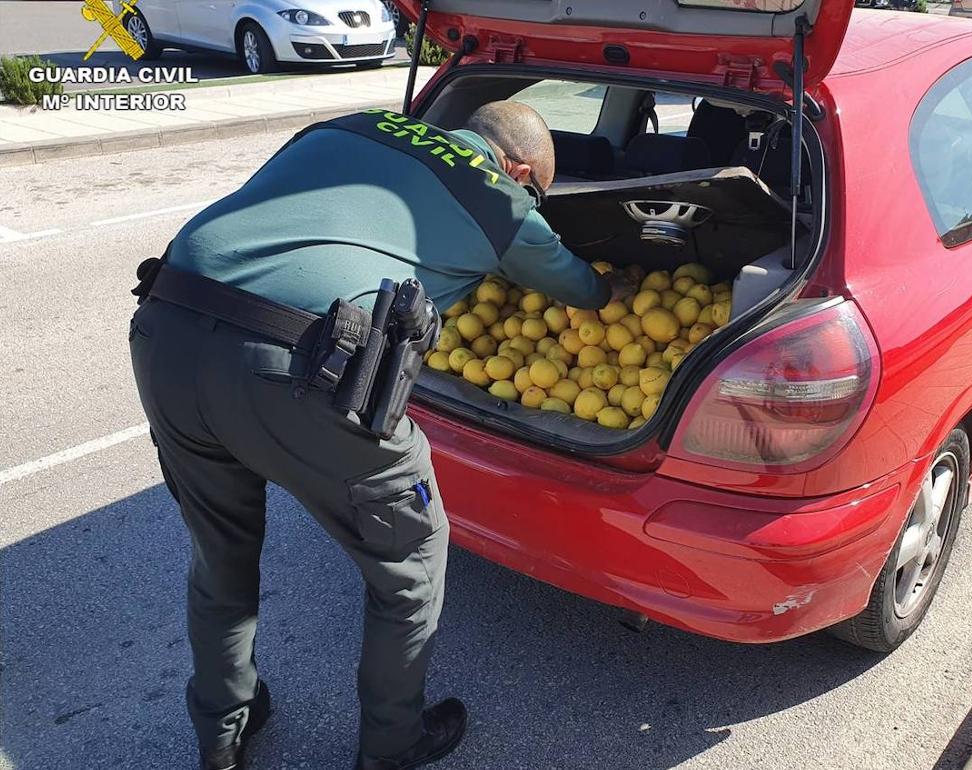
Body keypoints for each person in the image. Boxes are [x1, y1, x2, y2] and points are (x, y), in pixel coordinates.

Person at [129, 100, 631, 770]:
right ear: (515, 169)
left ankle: (225, 729)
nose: (532, 203)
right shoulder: (500, 202)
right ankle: (393, 744)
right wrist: (613, 282)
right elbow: (582, 290)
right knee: (412, 557)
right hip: (294, 366)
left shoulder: (350, 124)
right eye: (535, 191)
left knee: (219, 552)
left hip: (167, 329)